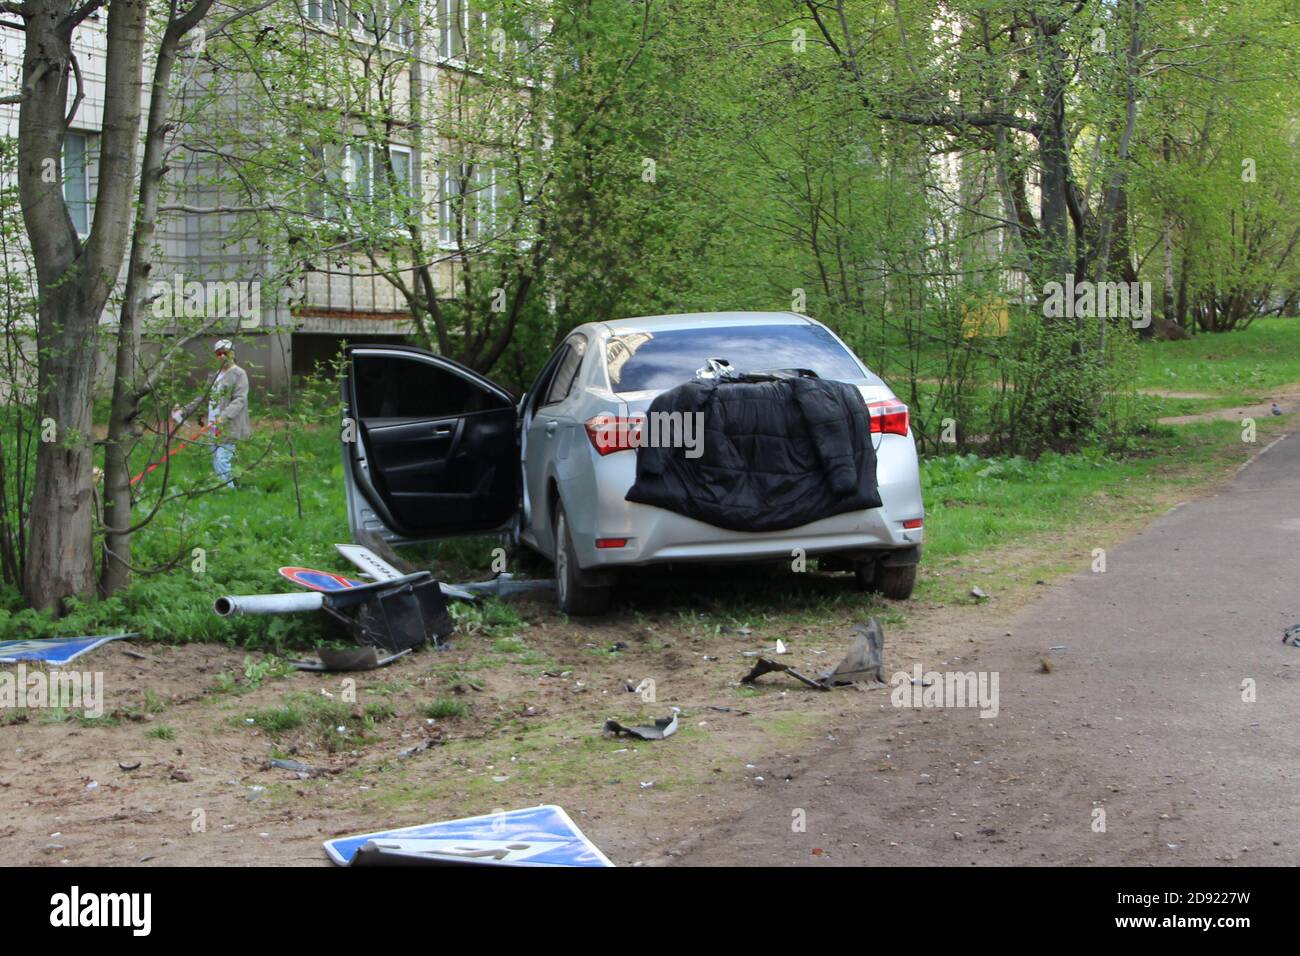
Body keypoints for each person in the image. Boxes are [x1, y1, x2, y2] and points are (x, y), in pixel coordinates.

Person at [172, 339, 251, 489]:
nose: (222, 356)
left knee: (222, 459)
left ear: (232, 353)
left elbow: (240, 400)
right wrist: (184, 410)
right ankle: (222, 489)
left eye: (225, 353)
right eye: (218, 354)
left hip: (228, 425)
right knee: (215, 458)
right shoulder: (214, 376)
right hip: (212, 425)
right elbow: (202, 397)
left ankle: (228, 492)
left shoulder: (239, 374)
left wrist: (223, 417)